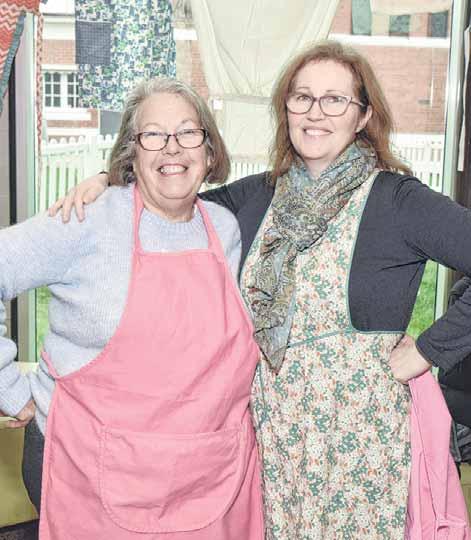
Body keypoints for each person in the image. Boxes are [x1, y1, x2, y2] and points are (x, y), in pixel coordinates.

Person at [50, 41, 471, 539]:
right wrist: (109, 180)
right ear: (285, 108)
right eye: (302, 97)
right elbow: (169, 195)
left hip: (359, 441)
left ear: (363, 116)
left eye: (335, 100)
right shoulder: (259, 197)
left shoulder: (398, 201)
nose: (315, 113)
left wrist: (429, 349)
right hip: (272, 435)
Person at [0, 77, 264, 539]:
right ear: (131, 153)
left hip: (206, 470)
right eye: (153, 135)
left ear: (209, 151)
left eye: (188, 132)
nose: (172, 147)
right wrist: (9, 389)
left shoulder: (227, 227)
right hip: (86, 466)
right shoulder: (86, 220)